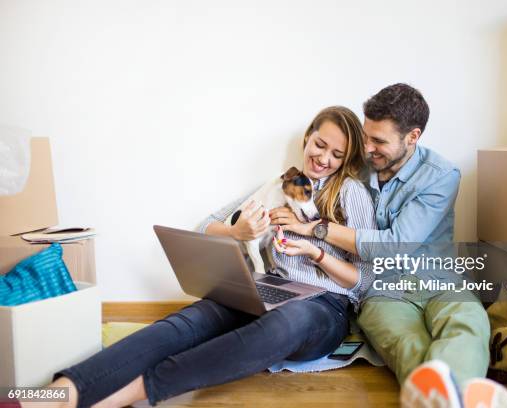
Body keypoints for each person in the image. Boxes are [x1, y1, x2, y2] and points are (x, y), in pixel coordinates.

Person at [31, 106, 377, 408]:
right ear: (307, 138)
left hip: (321, 307)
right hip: (268, 287)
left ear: (346, 160)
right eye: (320, 144)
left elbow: (362, 281)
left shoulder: (351, 192)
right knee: (187, 323)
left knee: (285, 323)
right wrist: (237, 233)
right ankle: (57, 393)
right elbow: (207, 226)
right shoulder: (279, 183)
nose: (324, 159)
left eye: (337, 154)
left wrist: (315, 249)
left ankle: (131, 392)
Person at [273, 84, 493, 399]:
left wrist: (316, 230)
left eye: (379, 141)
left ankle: (445, 398)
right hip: (383, 290)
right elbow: (312, 182)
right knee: (407, 345)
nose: (367, 147)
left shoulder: (441, 175)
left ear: (412, 137)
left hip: (439, 280)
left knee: (469, 326)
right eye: (365, 136)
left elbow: (395, 244)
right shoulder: (355, 166)